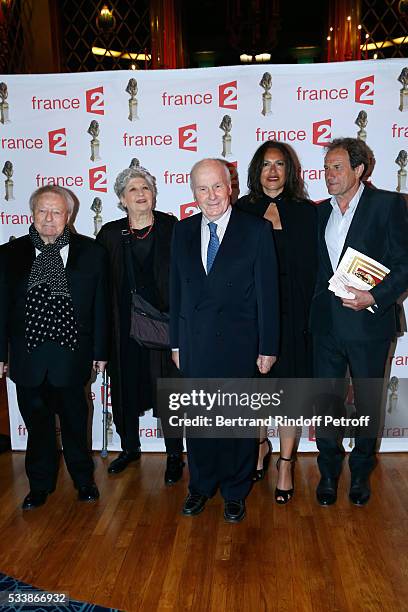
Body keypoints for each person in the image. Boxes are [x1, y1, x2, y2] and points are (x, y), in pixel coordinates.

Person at [170, 158, 279, 522]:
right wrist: (175, 342)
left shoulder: (256, 230)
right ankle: (200, 487)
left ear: (230, 186)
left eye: (217, 186)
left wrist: (268, 346)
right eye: (202, 188)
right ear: (193, 193)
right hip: (195, 342)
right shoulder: (182, 231)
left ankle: (235, 491)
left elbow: (268, 293)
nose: (211, 195)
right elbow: (176, 292)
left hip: (239, 342)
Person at [310, 137, 408, 506]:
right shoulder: (320, 212)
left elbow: (404, 264)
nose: (329, 175)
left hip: (369, 323)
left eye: (337, 168)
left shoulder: (387, 205)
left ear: (359, 170)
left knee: (367, 402)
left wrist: (375, 297)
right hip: (326, 326)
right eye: (326, 169)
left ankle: (361, 474)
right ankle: (329, 474)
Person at [0, 186, 109, 509]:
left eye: (56, 212)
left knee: (76, 424)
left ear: (69, 216)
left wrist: (101, 352)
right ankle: (39, 485)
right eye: (42, 212)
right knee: (37, 426)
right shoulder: (9, 254)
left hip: (72, 358)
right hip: (28, 358)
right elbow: (1, 307)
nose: (49, 219)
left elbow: (101, 307)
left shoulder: (92, 253)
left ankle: (83, 480)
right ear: (32, 214)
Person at [236, 141, 317, 504]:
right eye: (266, 164)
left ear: (290, 170)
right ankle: (259, 446)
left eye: (280, 164)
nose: (272, 171)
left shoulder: (306, 212)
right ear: (257, 170)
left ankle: (285, 463)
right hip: (252, 316)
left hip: (295, 315)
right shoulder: (241, 209)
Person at [96, 163, 184, 485]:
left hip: (165, 328)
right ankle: (130, 448)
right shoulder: (109, 234)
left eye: (145, 188)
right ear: (122, 198)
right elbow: (100, 287)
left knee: (170, 392)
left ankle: (174, 455)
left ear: (154, 193)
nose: (140, 194)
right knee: (126, 389)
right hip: (124, 330)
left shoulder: (172, 227)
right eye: (133, 189)